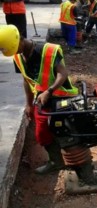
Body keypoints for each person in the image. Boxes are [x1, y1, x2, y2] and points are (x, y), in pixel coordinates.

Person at [0, 25, 79, 174]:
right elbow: (26, 80)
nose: (15, 53)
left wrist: (49, 91)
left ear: (21, 40)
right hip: (43, 99)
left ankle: (75, 161)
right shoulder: (18, 56)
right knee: (42, 133)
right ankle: (56, 161)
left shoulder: (47, 50)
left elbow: (63, 73)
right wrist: (28, 104)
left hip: (61, 95)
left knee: (66, 130)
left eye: (15, 49)